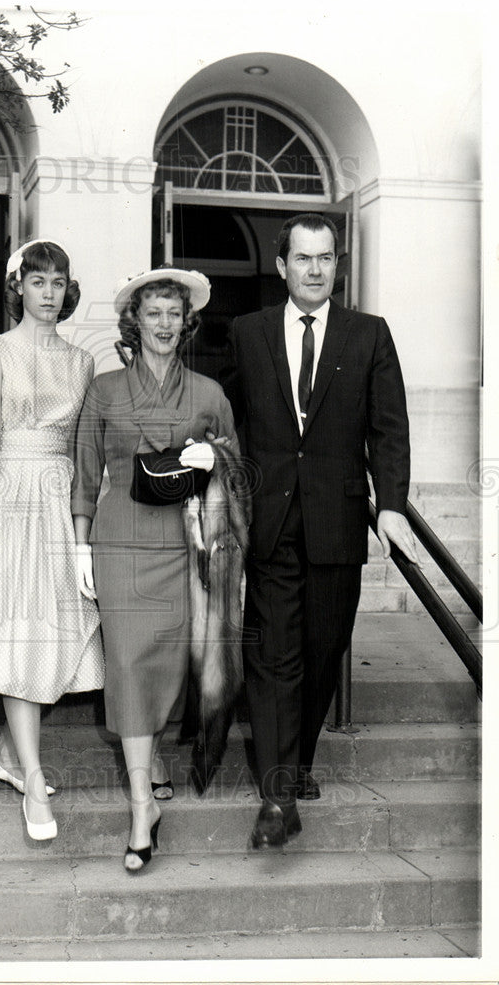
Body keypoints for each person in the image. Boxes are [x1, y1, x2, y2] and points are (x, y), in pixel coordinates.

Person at [222, 212, 419, 849]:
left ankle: (298, 763)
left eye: (325, 258)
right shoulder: (248, 333)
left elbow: (389, 427)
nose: (314, 269)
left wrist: (390, 504)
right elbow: (234, 419)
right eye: (302, 258)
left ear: (338, 264)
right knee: (272, 657)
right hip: (271, 523)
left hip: (337, 521)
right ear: (281, 266)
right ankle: (277, 796)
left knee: (322, 650)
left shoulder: (369, 335)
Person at [0, 239, 104, 841]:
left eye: (58, 283)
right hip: (7, 498)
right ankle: (32, 777)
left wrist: (83, 536)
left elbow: (86, 455)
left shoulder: (83, 363)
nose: (49, 294)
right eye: (38, 282)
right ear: (19, 289)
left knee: (53, 637)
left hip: (58, 504)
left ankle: (7, 754)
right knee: (14, 634)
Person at [72, 266, 238, 872]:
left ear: (186, 323)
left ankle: (157, 756)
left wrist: (215, 457)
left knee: (170, 665)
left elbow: (240, 474)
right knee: (129, 662)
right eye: (154, 314)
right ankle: (142, 806)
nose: (164, 324)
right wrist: (80, 547)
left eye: (174, 314)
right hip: (120, 540)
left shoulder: (210, 394)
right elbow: (86, 472)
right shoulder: (105, 389)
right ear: (134, 323)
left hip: (185, 542)